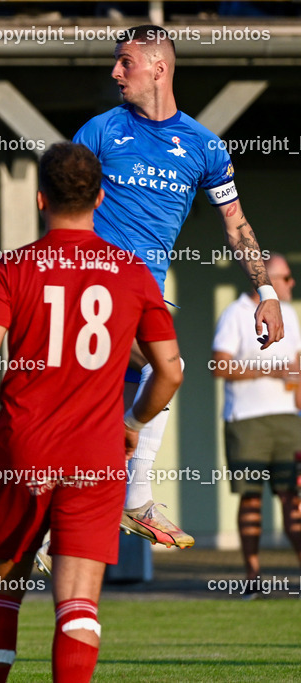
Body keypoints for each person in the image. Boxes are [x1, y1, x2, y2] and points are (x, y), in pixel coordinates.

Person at [0, 142, 183, 682]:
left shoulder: (11, 268)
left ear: (41, 198)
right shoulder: (133, 272)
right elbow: (171, 370)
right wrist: (133, 425)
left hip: (21, 451)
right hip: (96, 455)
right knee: (78, 605)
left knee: (2, 596)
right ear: (99, 198)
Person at [73, 24, 283, 549]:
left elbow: (236, 225)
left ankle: (98, 515)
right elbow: (60, 204)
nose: (115, 71)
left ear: (158, 69)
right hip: (93, 288)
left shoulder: (204, 148)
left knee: (138, 393)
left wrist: (268, 294)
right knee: (166, 370)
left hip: (147, 294)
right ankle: (131, 501)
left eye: (125, 62)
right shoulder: (98, 132)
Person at [211, 253, 301, 596]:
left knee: (292, 498)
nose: (292, 284)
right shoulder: (235, 314)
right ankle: (253, 580)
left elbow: (296, 366)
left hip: (287, 420)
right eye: (286, 278)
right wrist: (270, 371)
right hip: (246, 420)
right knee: (251, 500)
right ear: (266, 281)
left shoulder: (290, 315)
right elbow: (219, 366)